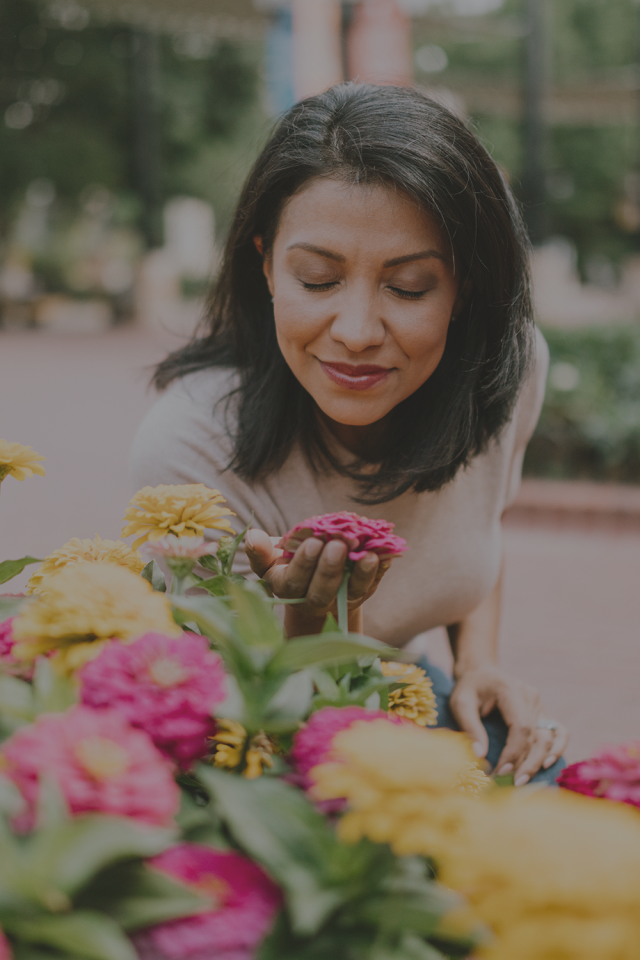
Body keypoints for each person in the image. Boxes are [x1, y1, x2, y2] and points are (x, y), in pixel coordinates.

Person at [131, 82, 567, 786]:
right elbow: (251, 741)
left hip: (402, 686)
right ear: (267, 263)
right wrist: (312, 621)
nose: (358, 333)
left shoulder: (505, 371)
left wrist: (477, 666)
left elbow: (478, 523)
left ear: (467, 290)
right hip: (257, 741)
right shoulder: (190, 447)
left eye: (410, 287)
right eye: (317, 278)